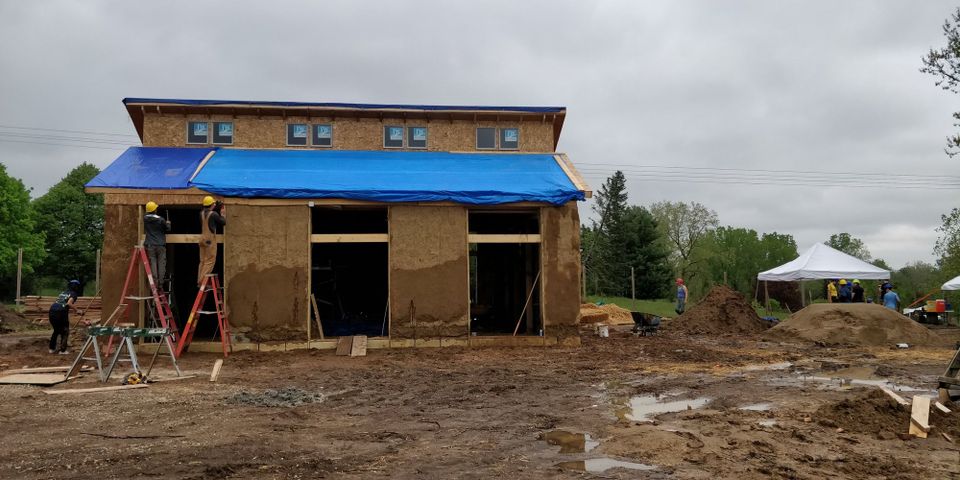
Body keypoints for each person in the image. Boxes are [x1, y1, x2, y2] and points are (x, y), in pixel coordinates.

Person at [48, 280, 82, 354]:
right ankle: (63, 350)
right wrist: (77, 310)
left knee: (56, 330)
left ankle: (51, 348)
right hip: (61, 312)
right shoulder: (73, 294)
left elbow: (61, 302)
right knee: (65, 331)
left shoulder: (63, 293)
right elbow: (69, 303)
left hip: (52, 311)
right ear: (77, 287)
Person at [198, 196, 226, 286]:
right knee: (210, 261)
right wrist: (222, 214)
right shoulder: (213, 214)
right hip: (209, 240)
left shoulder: (201, 213)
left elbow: (210, 219)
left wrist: (215, 207)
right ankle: (202, 282)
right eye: (213, 203)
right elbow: (223, 222)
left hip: (202, 239)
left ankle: (199, 281)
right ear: (211, 205)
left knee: (202, 261)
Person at [143, 201, 171, 288]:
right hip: (160, 245)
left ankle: (155, 282)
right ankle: (161, 283)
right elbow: (167, 229)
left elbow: (148, 216)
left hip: (150, 245)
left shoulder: (145, 219)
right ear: (154, 210)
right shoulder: (161, 220)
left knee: (153, 263)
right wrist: (168, 224)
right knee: (161, 263)